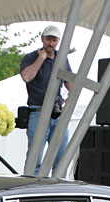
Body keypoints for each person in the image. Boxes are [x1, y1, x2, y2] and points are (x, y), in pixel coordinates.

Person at [20, 24, 72, 175]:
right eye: (48, 39)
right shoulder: (31, 57)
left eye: (54, 40)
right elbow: (27, 77)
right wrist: (41, 58)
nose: (51, 44)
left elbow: (72, 84)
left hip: (57, 114)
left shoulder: (62, 59)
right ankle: (32, 196)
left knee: (61, 158)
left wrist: (68, 101)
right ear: (42, 39)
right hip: (38, 111)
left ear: (58, 41)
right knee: (34, 159)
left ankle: (58, 198)